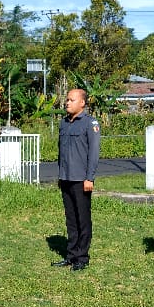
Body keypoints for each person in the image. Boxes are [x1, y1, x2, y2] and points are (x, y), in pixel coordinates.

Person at [53, 88, 100, 271]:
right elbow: (61, 151)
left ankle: (82, 256)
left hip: (81, 179)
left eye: (71, 100)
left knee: (83, 219)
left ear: (82, 103)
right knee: (70, 219)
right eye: (67, 100)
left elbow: (94, 153)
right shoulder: (64, 123)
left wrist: (90, 178)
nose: (67, 103)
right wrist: (60, 175)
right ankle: (71, 255)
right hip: (66, 177)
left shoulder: (90, 123)